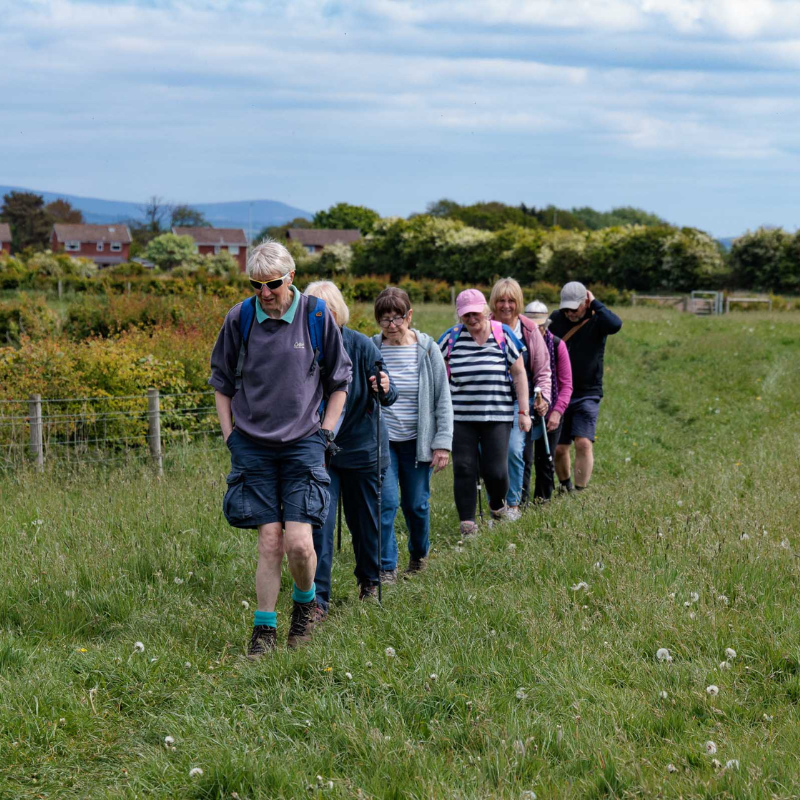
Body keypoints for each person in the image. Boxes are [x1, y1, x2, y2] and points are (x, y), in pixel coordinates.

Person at [209, 241, 352, 658]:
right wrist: (230, 436)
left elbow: (339, 382)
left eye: (272, 284)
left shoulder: (315, 314)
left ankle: (305, 605)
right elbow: (222, 384)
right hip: (252, 446)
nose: (265, 292)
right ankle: (265, 631)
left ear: (291, 277)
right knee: (270, 541)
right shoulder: (239, 318)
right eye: (257, 285)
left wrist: (326, 432)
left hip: (304, 444)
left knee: (299, 544)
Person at [304, 281, 397, 612]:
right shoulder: (301, 347)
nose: (321, 318)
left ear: (338, 312)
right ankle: (317, 601)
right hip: (318, 452)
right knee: (319, 527)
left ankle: (370, 582)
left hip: (362, 450)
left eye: (327, 311)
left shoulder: (360, 345)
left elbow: (389, 393)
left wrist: (383, 386)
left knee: (366, 524)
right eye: (315, 312)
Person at [371, 287, 453, 582]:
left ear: (410, 315)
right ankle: (387, 567)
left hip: (418, 442)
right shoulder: (372, 349)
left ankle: (418, 556)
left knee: (416, 505)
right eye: (385, 320)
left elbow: (442, 398)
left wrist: (442, 443)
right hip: (384, 442)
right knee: (386, 503)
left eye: (398, 318)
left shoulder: (428, 349)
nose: (392, 326)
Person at [439, 289, 530, 536]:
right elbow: (435, 370)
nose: (471, 319)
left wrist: (524, 411)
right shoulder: (451, 338)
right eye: (465, 315)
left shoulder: (503, 335)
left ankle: (497, 505)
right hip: (461, 417)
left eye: (475, 313)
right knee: (465, 468)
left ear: (486, 311)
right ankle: (467, 525)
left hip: (497, 416)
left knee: (496, 471)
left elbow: (519, 373)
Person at [548, 282, 622, 492]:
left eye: (575, 308)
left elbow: (616, 324)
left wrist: (596, 303)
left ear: (585, 302)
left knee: (583, 443)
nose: (570, 313)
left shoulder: (598, 319)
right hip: (560, 392)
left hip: (588, 392)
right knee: (560, 448)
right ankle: (565, 486)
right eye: (567, 309)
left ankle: (580, 491)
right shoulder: (555, 319)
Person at [489, 278, 551, 518]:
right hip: (489, 400)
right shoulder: (484, 326)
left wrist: (541, 396)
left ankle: (513, 503)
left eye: (511, 301)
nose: (506, 306)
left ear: (519, 302)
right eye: (501, 300)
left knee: (514, 450)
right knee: (491, 456)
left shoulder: (529, 329)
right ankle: (496, 506)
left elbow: (543, 369)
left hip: (518, 400)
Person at [520, 301, 573, 503]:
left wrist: (557, 412)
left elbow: (566, 384)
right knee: (523, 458)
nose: (536, 329)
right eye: (532, 325)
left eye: (540, 325)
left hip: (550, 410)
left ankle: (542, 501)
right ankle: (520, 502)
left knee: (545, 458)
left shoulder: (558, 345)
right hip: (524, 408)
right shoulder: (518, 343)